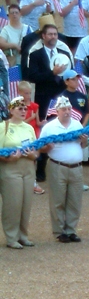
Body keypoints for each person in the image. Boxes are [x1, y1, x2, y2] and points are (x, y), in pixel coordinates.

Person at [38, 95, 86, 243]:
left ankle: (71, 230)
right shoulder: (49, 128)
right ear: (57, 111)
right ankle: (59, 231)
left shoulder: (77, 124)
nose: (67, 111)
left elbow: (83, 145)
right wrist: (48, 147)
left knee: (75, 200)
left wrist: (84, 141)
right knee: (57, 200)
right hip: (57, 166)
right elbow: (41, 148)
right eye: (64, 109)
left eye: (69, 109)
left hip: (76, 167)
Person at [0, 94, 37, 249]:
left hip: (28, 167)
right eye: (20, 108)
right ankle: (11, 236)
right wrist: (10, 159)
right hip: (10, 168)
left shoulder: (28, 128)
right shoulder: (3, 126)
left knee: (26, 203)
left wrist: (32, 155)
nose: (23, 111)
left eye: (25, 108)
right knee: (12, 203)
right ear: (11, 110)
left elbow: (36, 150)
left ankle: (23, 235)